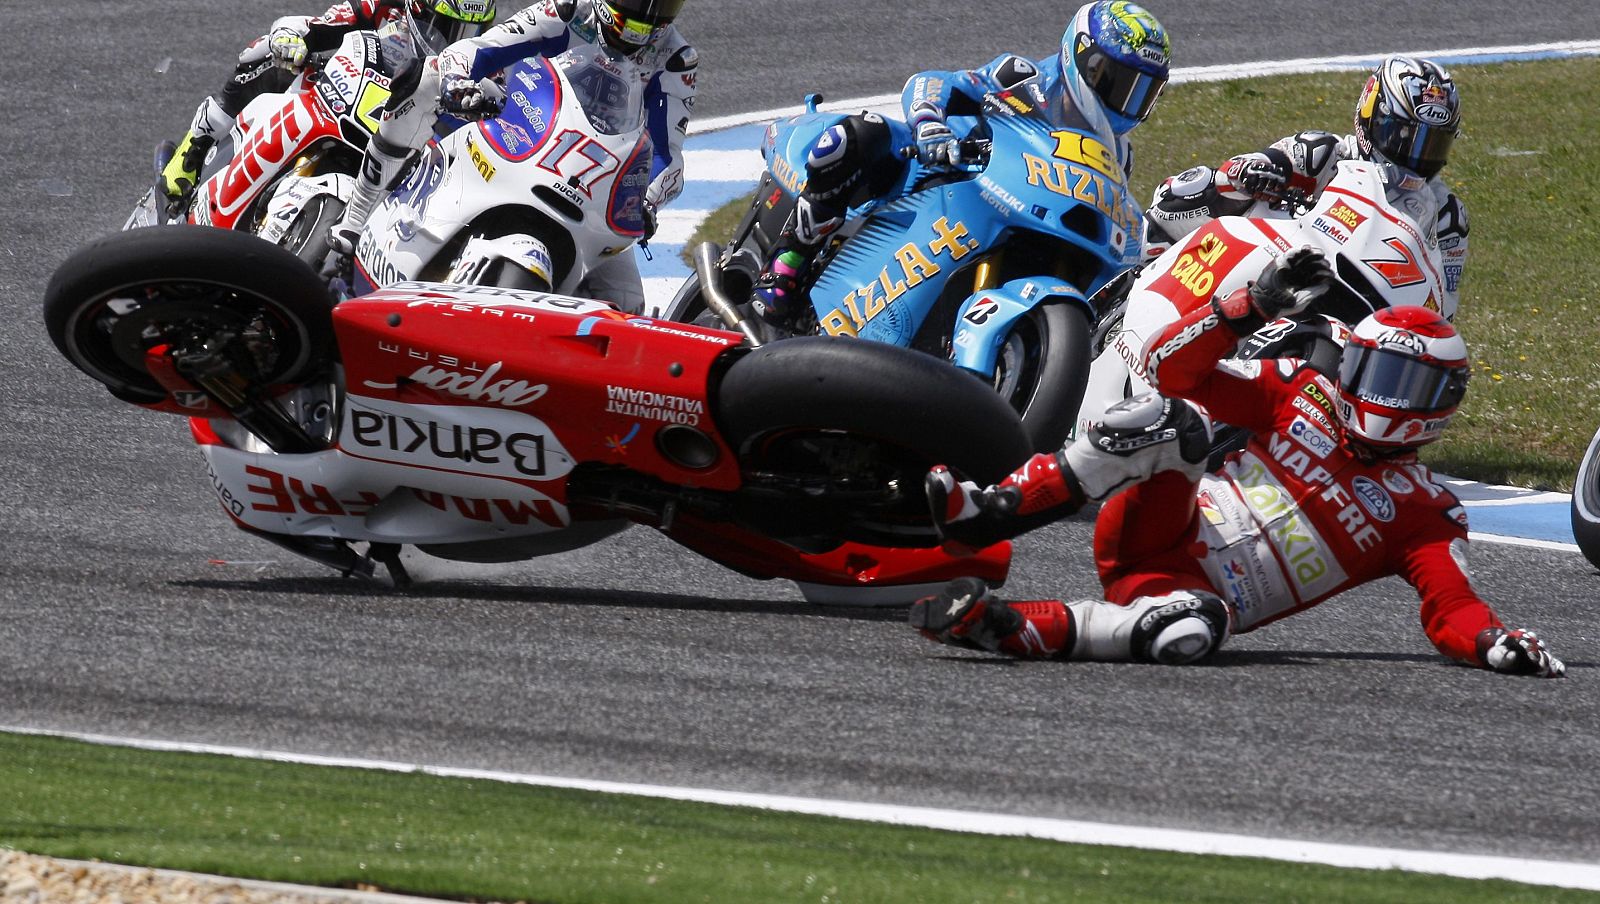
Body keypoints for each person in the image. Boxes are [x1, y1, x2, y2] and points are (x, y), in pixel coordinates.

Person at [912, 245, 1564, 678]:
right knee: (1174, 421)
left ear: (1438, 406)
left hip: (1183, 593)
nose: (1376, 393)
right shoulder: (1300, 388)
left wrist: (1493, 643)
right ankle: (991, 509)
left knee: (1192, 633)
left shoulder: (1428, 515)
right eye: (1371, 370)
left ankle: (1002, 626)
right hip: (1161, 524)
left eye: (1402, 384)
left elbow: (1452, 607)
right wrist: (1251, 303)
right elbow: (1170, 366)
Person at [748, 0, 1171, 334]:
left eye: (1142, 93)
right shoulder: (1021, 77)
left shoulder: (1119, 156)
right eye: (1118, 82)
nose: (1126, 103)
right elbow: (933, 82)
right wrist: (931, 125)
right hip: (943, 173)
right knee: (863, 134)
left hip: (1025, 222)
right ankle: (789, 260)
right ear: (1084, 61)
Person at [324, 0, 698, 313]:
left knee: (626, 301)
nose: (647, 13)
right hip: (514, 120)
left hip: (588, 178)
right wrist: (458, 80)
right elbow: (482, 48)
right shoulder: (569, 11)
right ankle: (355, 223)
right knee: (428, 76)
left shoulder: (677, 59)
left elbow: (668, 155)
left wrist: (648, 199)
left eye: (663, 2)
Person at [1142, 55, 1468, 307]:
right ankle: (1144, 262)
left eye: (1431, 144)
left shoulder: (1447, 214)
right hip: (1272, 264)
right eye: (1404, 138)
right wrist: (1251, 171)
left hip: (1359, 302)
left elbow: (1442, 305)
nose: (1415, 157)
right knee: (1201, 188)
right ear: (1371, 119)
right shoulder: (1323, 153)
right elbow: (1254, 164)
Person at [159, 0, 497, 203]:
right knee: (263, 53)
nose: (457, 41)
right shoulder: (379, 6)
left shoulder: (485, 65)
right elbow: (315, 25)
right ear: (416, 8)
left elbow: (495, 118)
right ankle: (195, 147)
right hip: (344, 94)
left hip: (406, 140)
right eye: (449, 27)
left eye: (471, 31)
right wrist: (290, 40)